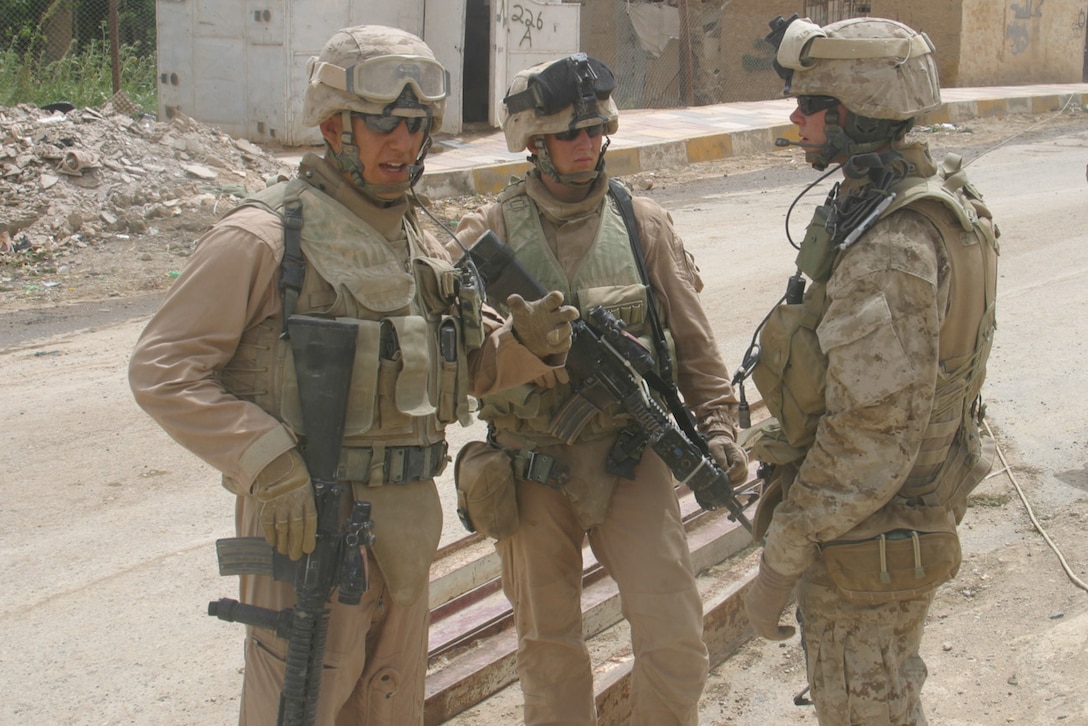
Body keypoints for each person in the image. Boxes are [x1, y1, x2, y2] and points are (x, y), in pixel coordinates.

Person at [128, 25, 574, 725]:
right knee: (302, 705)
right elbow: (163, 369)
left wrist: (524, 345)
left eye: (416, 126)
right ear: (335, 127)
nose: (403, 144)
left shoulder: (416, 237)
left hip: (402, 527)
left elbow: (454, 369)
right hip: (306, 528)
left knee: (390, 705)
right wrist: (266, 462)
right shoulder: (267, 237)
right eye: (383, 126)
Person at [449, 53, 749, 726]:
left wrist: (719, 427)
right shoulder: (485, 236)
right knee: (550, 658)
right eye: (568, 135)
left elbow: (694, 347)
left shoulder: (641, 224)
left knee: (675, 638)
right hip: (531, 464)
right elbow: (460, 371)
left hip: (628, 455)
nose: (587, 146)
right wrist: (521, 346)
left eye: (595, 131)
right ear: (535, 142)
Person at [741, 15, 1000, 726]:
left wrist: (781, 558)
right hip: (901, 517)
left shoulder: (892, 246)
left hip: (871, 539)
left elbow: (869, 441)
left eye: (811, 105)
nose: (797, 118)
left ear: (853, 113)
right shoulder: (937, 201)